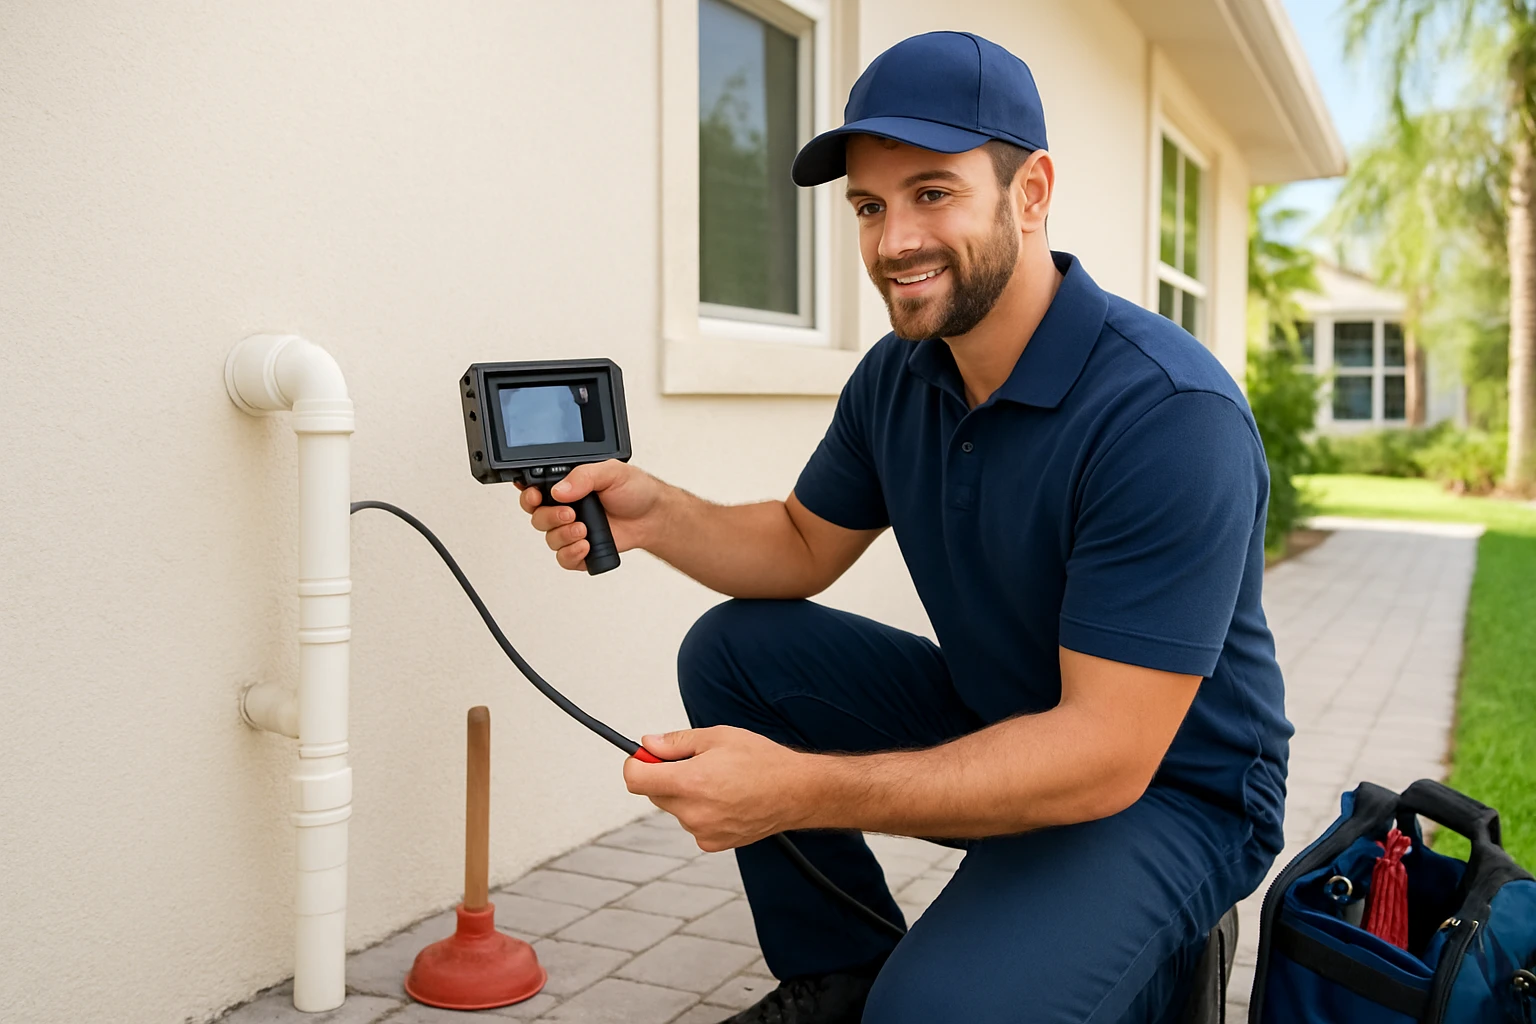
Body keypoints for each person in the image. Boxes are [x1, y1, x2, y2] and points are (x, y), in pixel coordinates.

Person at [519, 31, 1290, 1024]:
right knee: (737, 651)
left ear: (1031, 192)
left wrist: (799, 789)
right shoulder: (901, 375)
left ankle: (1150, 953)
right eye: (870, 207)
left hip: (1167, 787)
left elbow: (1104, 754)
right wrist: (656, 511)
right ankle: (840, 972)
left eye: (933, 193)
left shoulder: (1168, 414)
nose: (893, 243)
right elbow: (801, 544)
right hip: (999, 715)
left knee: (934, 1012)